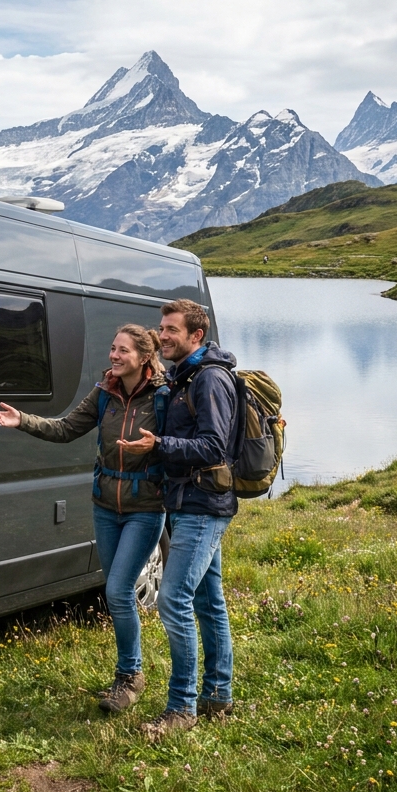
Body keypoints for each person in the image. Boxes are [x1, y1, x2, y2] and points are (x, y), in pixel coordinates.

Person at [0, 325, 167, 713]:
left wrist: (158, 449)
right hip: (105, 506)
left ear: (143, 356)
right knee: (115, 588)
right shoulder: (105, 393)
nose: (114, 356)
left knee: (118, 592)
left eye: (122, 351)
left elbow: (179, 447)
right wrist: (23, 420)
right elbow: (67, 428)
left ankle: (130, 676)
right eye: (112, 348)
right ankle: (128, 671)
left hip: (145, 508)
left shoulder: (164, 397)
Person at [116, 298, 238, 740]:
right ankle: (218, 694)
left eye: (170, 329)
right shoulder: (186, 374)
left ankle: (181, 707)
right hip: (189, 500)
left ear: (196, 336)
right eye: (161, 328)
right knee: (208, 601)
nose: (161, 335)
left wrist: (160, 445)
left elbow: (214, 448)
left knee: (172, 600)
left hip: (203, 505)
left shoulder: (210, 380)